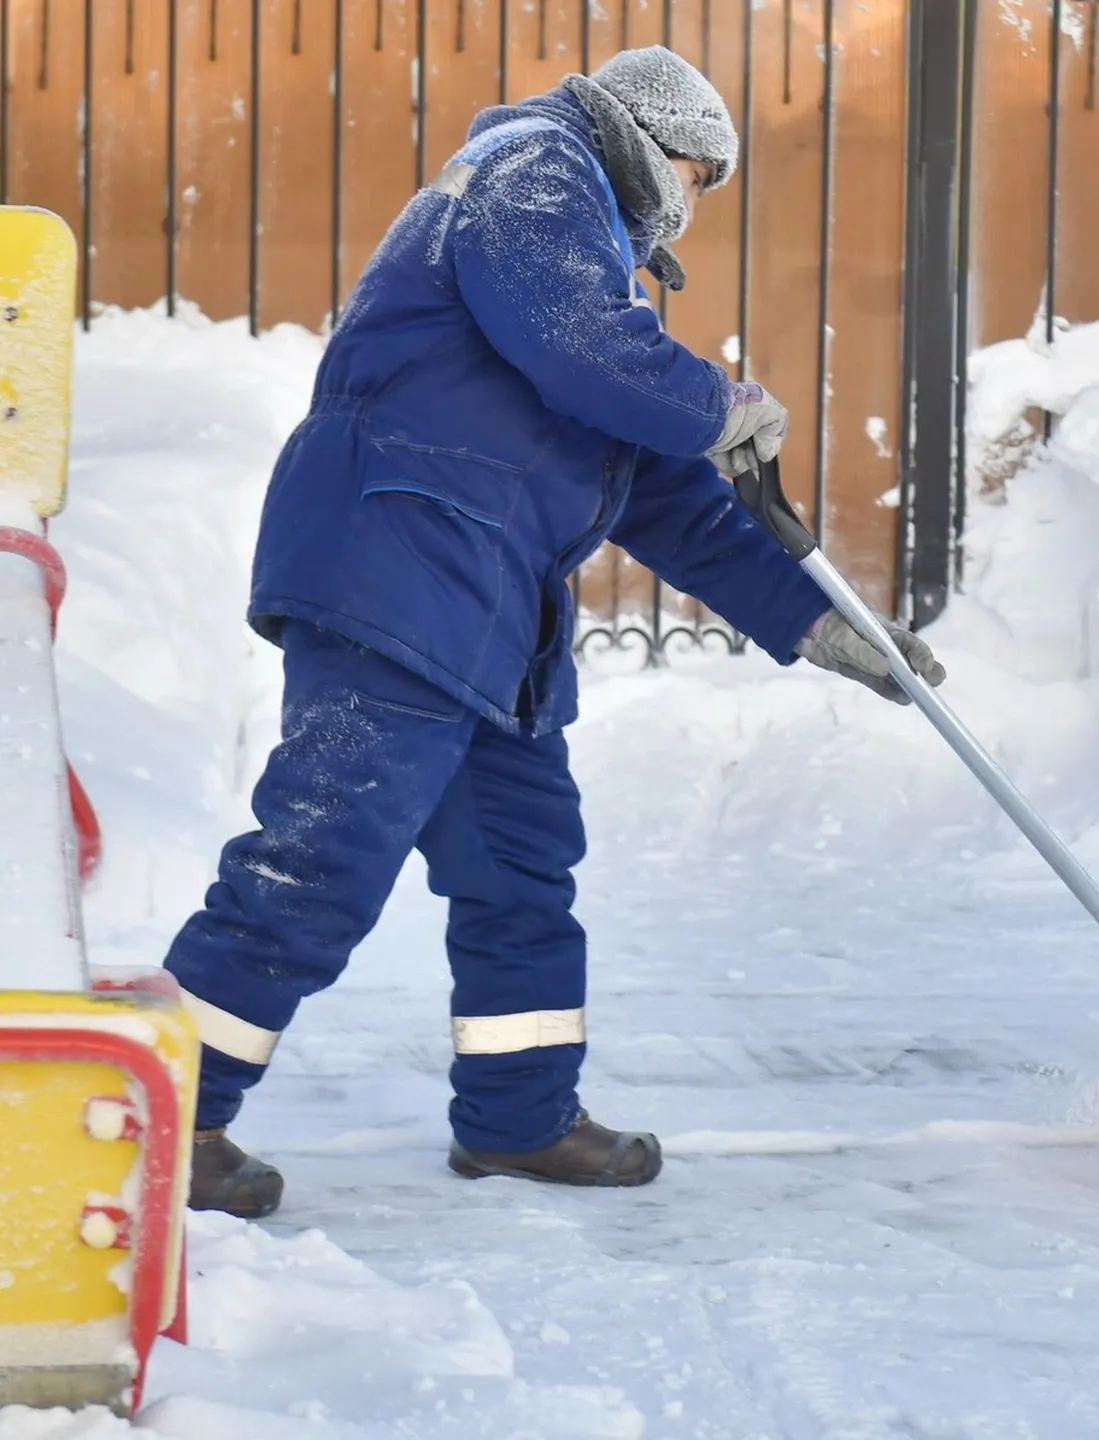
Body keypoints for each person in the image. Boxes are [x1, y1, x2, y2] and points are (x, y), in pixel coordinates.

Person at [163, 47, 945, 1219]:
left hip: (486, 617)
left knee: (522, 871)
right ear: (646, 137)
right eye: (693, 170)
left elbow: (671, 500)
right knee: (318, 859)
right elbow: (589, 351)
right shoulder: (529, 169)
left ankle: (520, 1121)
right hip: (398, 572)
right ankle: (158, 1119)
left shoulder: (592, 285)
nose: (693, 197)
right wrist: (714, 400)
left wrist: (823, 626)